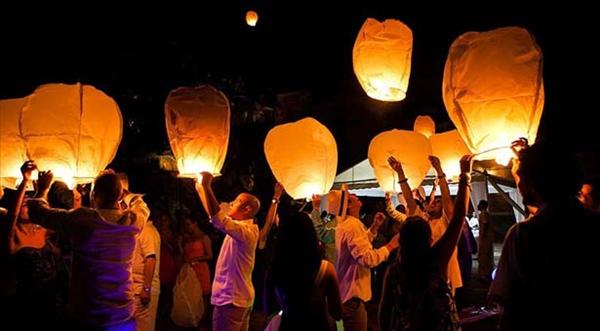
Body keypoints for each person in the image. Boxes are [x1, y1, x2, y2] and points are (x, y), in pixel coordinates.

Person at [489, 139, 599, 330]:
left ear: (534, 183)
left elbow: (509, 305)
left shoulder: (523, 234)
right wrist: (526, 160)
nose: (519, 182)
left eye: (521, 177)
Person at [27, 168, 150, 330]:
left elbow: (37, 213)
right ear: (119, 196)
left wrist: (43, 188)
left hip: (88, 316)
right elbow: (142, 206)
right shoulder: (132, 221)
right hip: (123, 316)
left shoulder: (83, 220)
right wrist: (121, 190)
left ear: (94, 196)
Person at [379, 154, 473, 331]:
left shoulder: (394, 271)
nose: (435, 203)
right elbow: (459, 214)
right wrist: (464, 176)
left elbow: (384, 312)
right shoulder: (434, 256)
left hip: (448, 276)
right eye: (434, 201)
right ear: (428, 238)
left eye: (439, 202)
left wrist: (439, 173)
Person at [195, 171, 260, 331]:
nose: (231, 203)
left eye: (236, 202)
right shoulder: (239, 228)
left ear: (247, 209)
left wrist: (207, 185)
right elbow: (214, 216)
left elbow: (218, 219)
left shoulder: (246, 232)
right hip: (239, 299)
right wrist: (200, 187)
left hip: (231, 299)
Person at [265, 209, 342, 330]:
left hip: (287, 325)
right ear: (311, 235)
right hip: (318, 325)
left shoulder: (276, 267)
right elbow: (337, 311)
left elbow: (268, 306)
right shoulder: (326, 269)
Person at [335, 189, 399, 331]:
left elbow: (359, 249)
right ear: (349, 205)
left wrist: (374, 227)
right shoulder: (352, 226)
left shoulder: (348, 224)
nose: (357, 197)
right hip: (353, 297)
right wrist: (390, 246)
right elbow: (367, 259)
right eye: (353, 197)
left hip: (347, 294)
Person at [476, 200, 494, 279]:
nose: (478, 206)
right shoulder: (486, 214)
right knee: (486, 255)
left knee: (483, 256)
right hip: (487, 237)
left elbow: (484, 224)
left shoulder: (483, 214)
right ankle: (487, 272)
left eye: (479, 204)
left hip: (485, 238)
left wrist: (482, 236)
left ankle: (484, 274)